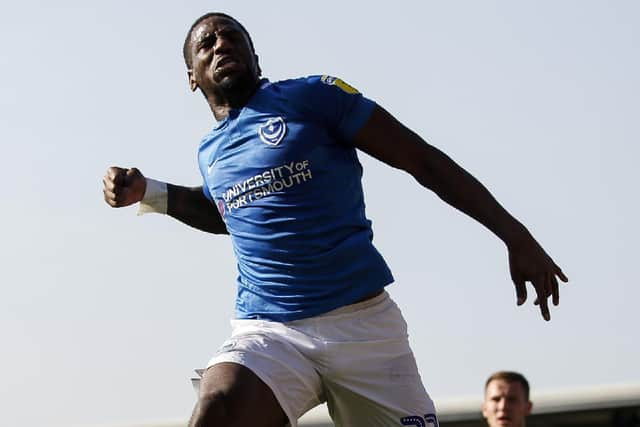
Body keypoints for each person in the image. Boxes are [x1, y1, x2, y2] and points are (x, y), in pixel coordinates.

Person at [102, 12, 568, 427]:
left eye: (232, 37)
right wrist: (152, 193)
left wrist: (515, 235)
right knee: (217, 407)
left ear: (256, 57)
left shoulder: (314, 97)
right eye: (207, 43)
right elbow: (229, 214)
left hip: (364, 328)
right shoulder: (210, 151)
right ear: (192, 77)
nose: (221, 45)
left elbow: (421, 160)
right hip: (271, 331)